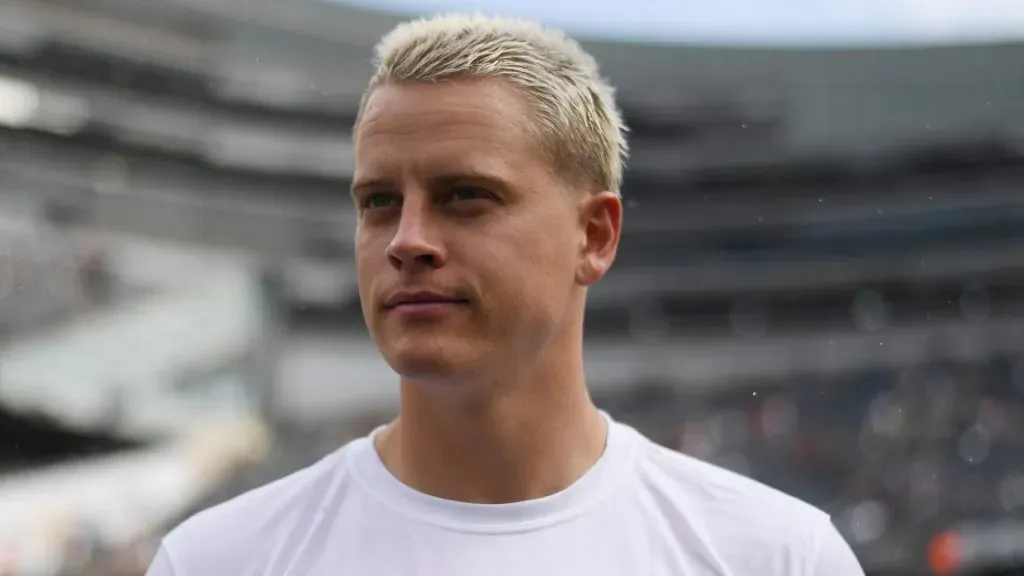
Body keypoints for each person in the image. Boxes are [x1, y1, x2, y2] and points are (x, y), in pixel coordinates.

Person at [145, 13, 864, 576]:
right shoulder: (218, 561)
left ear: (595, 235)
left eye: (465, 196)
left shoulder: (776, 558)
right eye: (379, 202)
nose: (407, 239)